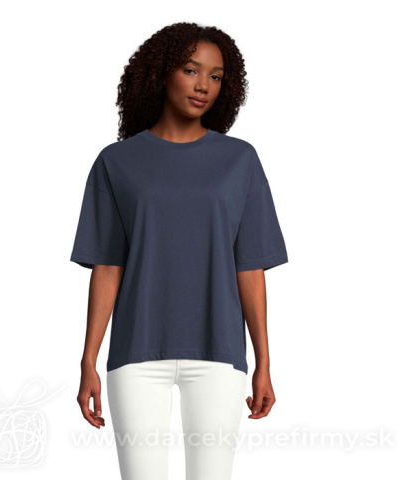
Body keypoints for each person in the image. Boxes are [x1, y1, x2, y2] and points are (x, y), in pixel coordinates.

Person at [70, 22, 288, 480]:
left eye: (216, 76)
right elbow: (107, 266)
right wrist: (88, 359)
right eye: (191, 70)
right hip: (135, 350)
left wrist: (264, 362)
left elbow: (249, 268)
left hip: (219, 351)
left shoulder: (240, 160)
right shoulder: (116, 162)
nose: (203, 85)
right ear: (161, 73)